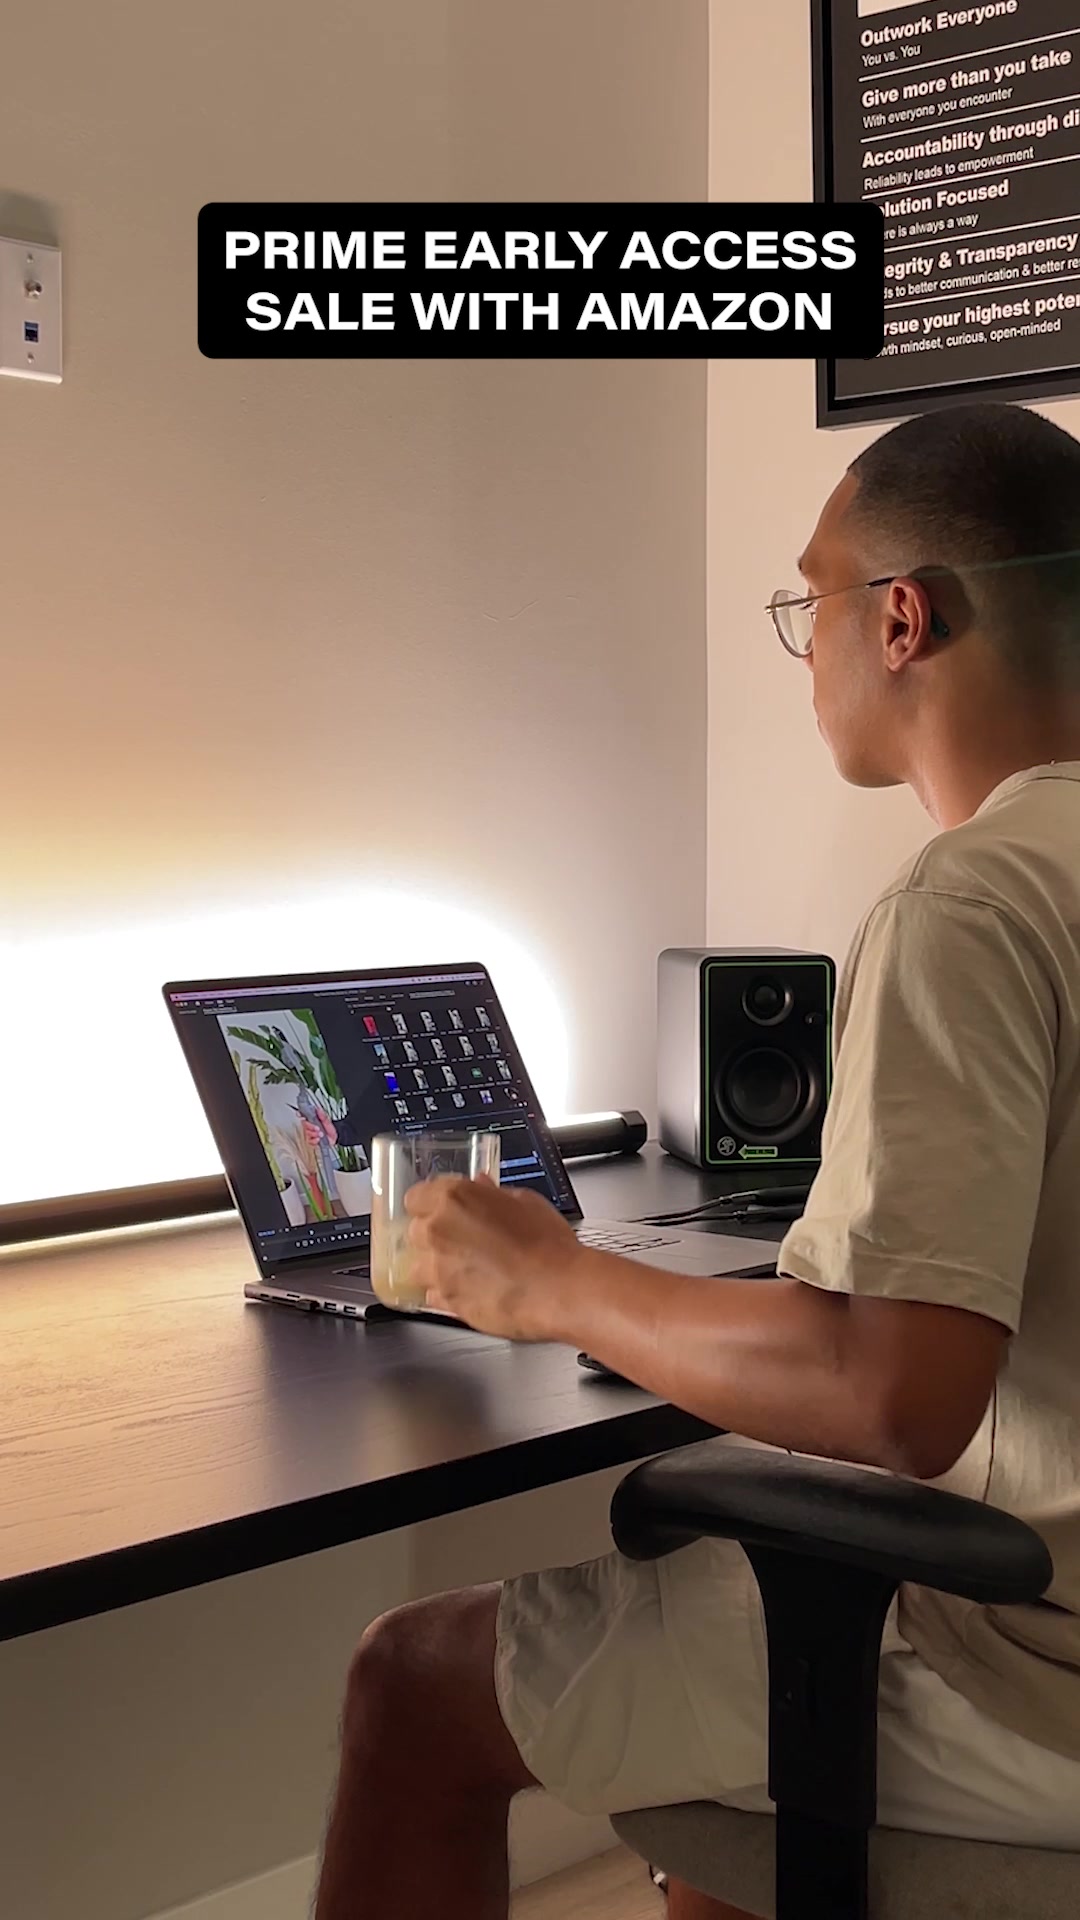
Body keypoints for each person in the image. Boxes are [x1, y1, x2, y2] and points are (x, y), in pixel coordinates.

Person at [313, 401, 1080, 1920]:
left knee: (412, 1680)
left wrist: (556, 1283)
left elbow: (896, 1395)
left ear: (903, 620)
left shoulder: (969, 903)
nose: (807, 651)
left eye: (811, 604)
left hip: (1027, 1665)